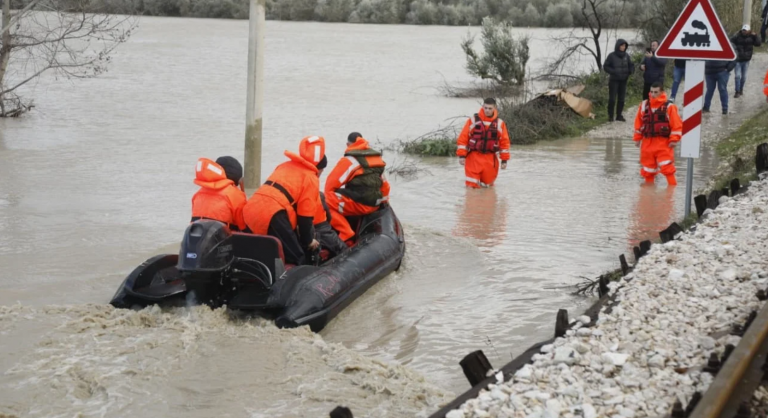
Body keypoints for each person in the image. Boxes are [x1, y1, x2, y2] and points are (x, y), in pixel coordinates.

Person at [242, 136, 326, 265]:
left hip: (251, 208)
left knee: (257, 251)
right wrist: (308, 241)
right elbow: (305, 217)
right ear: (319, 169)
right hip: (274, 214)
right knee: (298, 257)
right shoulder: (311, 178)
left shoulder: (284, 166)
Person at [325, 132, 390, 242]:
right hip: (375, 206)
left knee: (323, 201)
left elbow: (329, 186)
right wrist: (381, 204)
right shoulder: (376, 159)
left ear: (347, 144)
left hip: (360, 205)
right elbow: (385, 186)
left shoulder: (349, 160)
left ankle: (346, 232)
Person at [633, 82, 682, 185]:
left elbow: (676, 125)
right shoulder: (644, 105)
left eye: (656, 92)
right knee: (648, 171)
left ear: (661, 92)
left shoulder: (669, 107)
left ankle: (672, 194)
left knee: (668, 169)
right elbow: (638, 122)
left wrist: (674, 140)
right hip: (647, 143)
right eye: (651, 92)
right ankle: (648, 196)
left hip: (663, 143)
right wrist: (637, 138)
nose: (653, 94)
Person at [456, 98, 511, 188]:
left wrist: (504, 160)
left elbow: (504, 143)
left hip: (490, 159)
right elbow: (463, 138)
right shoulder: (473, 120)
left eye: (490, 108)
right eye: (485, 108)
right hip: (474, 157)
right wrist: (462, 156)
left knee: (488, 187)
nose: (487, 110)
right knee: (471, 187)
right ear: (482, 107)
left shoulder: (500, 123)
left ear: (495, 108)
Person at [191, 156, 247, 231]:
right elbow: (244, 227)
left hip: (197, 239)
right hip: (223, 241)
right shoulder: (236, 195)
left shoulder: (198, 194)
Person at [603, 39, 635, 122]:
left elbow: (631, 65)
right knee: (612, 99)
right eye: (621, 45)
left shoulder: (626, 56)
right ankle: (610, 115)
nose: (623, 47)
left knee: (621, 99)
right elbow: (605, 66)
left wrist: (631, 71)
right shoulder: (611, 56)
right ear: (618, 46)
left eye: (624, 46)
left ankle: (619, 115)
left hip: (623, 80)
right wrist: (613, 72)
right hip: (614, 80)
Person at [730, 24, 761, 98]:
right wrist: (735, 50)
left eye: (746, 30)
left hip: (746, 60)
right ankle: (737, 91)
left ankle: (741, 89)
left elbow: (758, 44)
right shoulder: (737, 36)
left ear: (749, 31)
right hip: (738, 60)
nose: (744, 32)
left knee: (744, 77)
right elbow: (730, 41)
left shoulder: (752, 37)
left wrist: (756, 36)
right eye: (743, 30)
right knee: (737, 76)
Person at [314, 192, 347, 258]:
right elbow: (329, 216)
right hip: (320, 228)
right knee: (343, 249)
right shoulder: (318, 196)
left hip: (302, 231)